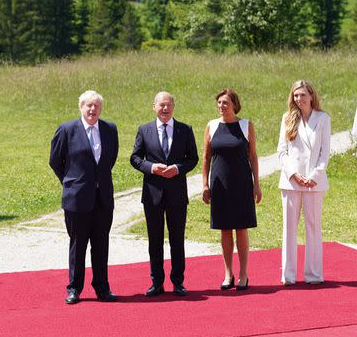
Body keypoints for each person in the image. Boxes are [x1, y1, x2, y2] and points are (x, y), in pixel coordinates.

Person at [49, 90, 119, 305]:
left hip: (102, 198)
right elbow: (55, 161)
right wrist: (71, 181)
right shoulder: (67, 130)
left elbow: (110, 159)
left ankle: (102, 287)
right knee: (78, 245)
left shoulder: (109, 129)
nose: (92, 109)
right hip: (77, 198)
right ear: (81, 107)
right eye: (88, 105)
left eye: (96, 106)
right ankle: (74, 289)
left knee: (101, 244)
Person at [131, 91, 199, 297]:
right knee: (155, 239)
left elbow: (193, 159)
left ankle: (178, 282)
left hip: (177, 193)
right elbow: (135, 158)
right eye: (161, 105)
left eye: (168, 105)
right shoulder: (145, 130)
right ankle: (157, 282)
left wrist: (178, 168)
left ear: (173, 107)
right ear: (154, 106)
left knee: (177, 239)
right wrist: (152, 167)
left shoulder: (184, 130)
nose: (165, 109)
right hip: (153, 194)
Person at [201, 88, 262, 291]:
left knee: (241, 228)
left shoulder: (246, 125)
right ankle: (228, 274)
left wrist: (256, 184)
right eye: (219, 103)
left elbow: (253, 156)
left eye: (225, 102)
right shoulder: (211, 126)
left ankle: (243, 274)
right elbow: (206, 158)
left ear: (234, 104)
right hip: (219, 184)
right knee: (224, 229)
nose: (221, 106)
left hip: (242, 183)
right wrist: (205, 184)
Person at [277, 80, 330, 285]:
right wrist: (293, 174)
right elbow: (282, 151)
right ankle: (288, 275)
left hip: (314, 183)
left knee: (313, 227)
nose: (299, 99)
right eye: (296, 95)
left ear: (311, 95)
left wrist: (314, 177)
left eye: (302, 95)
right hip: (291, 182)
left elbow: (325, 152)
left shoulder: (323, 119)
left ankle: (314, 274)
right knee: (289, 228)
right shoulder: (288, 118)